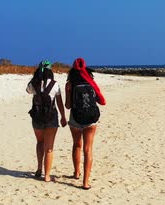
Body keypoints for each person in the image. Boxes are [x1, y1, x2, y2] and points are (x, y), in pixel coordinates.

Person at [65, 58, 106, 190]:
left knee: (77, 145)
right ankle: (85, 182)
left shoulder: (70, 84)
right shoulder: (91, 82)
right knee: (88, 149)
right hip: (91, 119)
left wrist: (68, 92)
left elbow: (68, 105)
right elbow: (101, 100)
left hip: (75, 118)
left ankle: (76, 173)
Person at [26, 60, 67, 182]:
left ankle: (39, 169)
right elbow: (59, 102)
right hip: (51, 117)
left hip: (37, 117)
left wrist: (35, 78)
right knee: (49, 147)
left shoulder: (34, 83)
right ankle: (47, 175)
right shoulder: (55, 85)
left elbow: (28, 91)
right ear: (50, 71)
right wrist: (63, 117)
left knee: (40, 142)